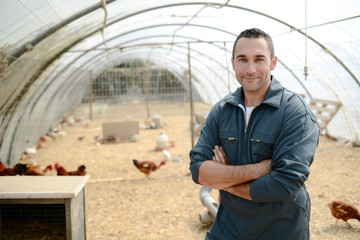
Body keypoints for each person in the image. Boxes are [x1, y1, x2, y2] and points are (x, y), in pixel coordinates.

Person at [189, 28, 320, 240]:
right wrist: (262, 168)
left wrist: (223, 179)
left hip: (279, 231)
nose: (250, 69)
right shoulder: (222, 110)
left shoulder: (294, 112)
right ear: (233, 63)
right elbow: (198, 171)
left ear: (273, 62)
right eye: (243, 59)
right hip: (227, 230)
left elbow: (284, 185)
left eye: (259, 59)